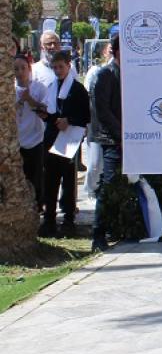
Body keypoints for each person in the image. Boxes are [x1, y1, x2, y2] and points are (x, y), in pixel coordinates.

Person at [39, 50, 90, 238]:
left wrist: (69, 120)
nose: (58, 71)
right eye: (55, 67)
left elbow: (85, 115)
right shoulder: (52, 86)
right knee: (50, 181)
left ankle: (68, 220)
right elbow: (52, 113)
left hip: (69, 139)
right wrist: (45, 115)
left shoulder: (77, 89)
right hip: (52, 138)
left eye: (61, 67)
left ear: (69, 66)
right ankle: (49, 220)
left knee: (68, 181)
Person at [90, 35, 122, 252]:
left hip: (125, 139)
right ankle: (98, 234)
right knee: (108, 184)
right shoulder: (105, 74)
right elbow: (102, 111)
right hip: (112, 140)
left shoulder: (129, 73)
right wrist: (121, 135)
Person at [14, 55, 49, 211]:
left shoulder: (39, 88)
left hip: (35, 139)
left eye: (23, 68)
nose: (20, 72)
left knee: (36, 177)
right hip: (16, 141)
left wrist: (29, 99)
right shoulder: (8, 89)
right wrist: (21, 101)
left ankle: (37, 207)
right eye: (16, 69)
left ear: (29, 69)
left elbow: (45, 111)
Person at [83, 42, 113, 199]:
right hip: (95, 125)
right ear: (104, 53)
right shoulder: (95, 71)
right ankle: (91, 190)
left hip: (112, 125)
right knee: (94, 164)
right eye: (110, 50)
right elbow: (86, 97)